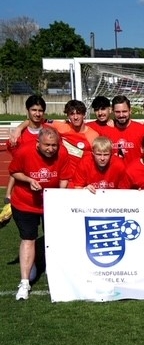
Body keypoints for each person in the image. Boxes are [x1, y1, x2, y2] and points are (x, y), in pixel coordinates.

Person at [8, 126, 72, 300]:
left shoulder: (63, 153)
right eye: (47, 145)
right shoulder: (24, 151)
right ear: (38, 143)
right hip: (25, 202)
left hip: (50, 203)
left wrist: (59, 197)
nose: (51, 149)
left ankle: (56, 272)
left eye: (54, 145)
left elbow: (64, 177)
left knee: (54, 238)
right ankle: (24, 282)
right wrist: (29, 180)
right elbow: (14, 171)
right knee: (28, 238)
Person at [5, 95, 51, 204]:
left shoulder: (51, 132)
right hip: (25, 193)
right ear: (27, 110)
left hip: (47, 190)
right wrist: (8, 193)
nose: (37, 114)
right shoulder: (18, 137)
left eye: (40, 110)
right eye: (34, 110)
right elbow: (15, 167)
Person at [51, 99, 100, 172]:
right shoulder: (62, 127)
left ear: (84, 115)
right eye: (72, 114)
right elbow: (41, 121)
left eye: (78, 113)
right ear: (68, 116)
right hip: (64, 174)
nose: (75, 117)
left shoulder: (93, 135)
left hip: (83, 175)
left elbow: (99, 157)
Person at [99, 95, 144, 164]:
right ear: (112, 111)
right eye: (117, 112)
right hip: (115, 170)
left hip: (135, 170)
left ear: (130, 111)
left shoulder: (142, 130)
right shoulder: (105, 132)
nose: (121, 115)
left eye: (124, 111)